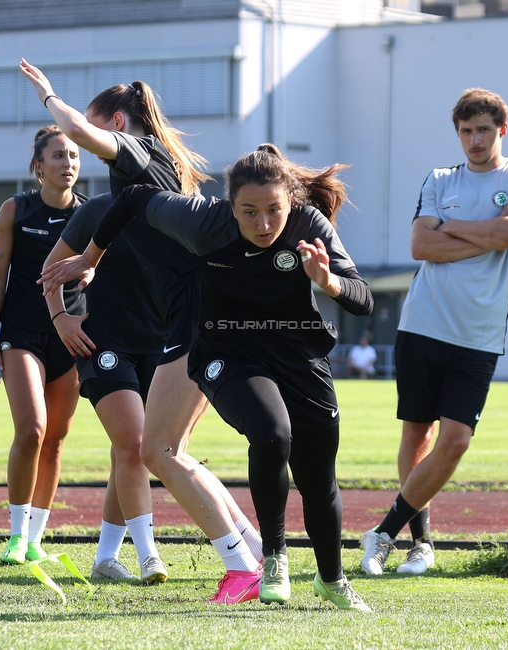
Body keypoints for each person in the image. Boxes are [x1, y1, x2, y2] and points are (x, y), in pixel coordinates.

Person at [43, 144, 375, 611]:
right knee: (272, 433)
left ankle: (331, 579)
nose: (262, 224)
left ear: (291, 201)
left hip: (299, 357)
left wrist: (328, 281)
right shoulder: (204, 222)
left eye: (273, 210)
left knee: (318, 477)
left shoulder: (307, 225)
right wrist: (92, 256)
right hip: (228, 353)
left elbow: (363, 299)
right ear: (229, 206)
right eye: (249, 212)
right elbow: (134, 197)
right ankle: (274, 560)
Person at [21, 60, 264, 602]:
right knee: (157, 447)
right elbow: (104, 236)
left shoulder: (139, 151)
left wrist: (48, 97)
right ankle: (250, 550)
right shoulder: (141, 183)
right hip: (189, 319)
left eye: (94, 128)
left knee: (156, 450)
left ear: (119, 121)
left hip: (188, 319)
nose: (82, 149)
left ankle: (238, 562)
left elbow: (83, 134)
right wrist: (78, 279)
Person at [359, 88, 508, 576]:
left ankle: (382, 534)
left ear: (502, 130)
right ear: (457, 133)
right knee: (418, 431)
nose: (474, 140)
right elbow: (420, 245)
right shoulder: (439, 178)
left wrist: (453, 230)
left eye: (483, 129)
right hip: (423, 322)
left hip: (479, 333)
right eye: (465, 131)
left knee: (455, 439)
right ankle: (421, 545)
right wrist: (485, 232)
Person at [42, 194, 170, 584]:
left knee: (127, 452)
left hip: (163, 347)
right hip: (104, 346)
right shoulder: (97, 210)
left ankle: (105, 559)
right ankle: (150, 556)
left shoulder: (179, 210)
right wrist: (62, 319)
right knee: (134, 444)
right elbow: (49, 269)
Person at [0, 126, 86, 566]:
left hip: (73, 339)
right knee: (32, 430)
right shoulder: (15, 210)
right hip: (20, 335)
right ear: (39, 166)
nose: (69, 164)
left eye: (75, 156)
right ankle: (14, 536)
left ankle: (35, 540)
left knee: (56, 440)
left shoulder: (91, 214)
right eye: (59, 156)